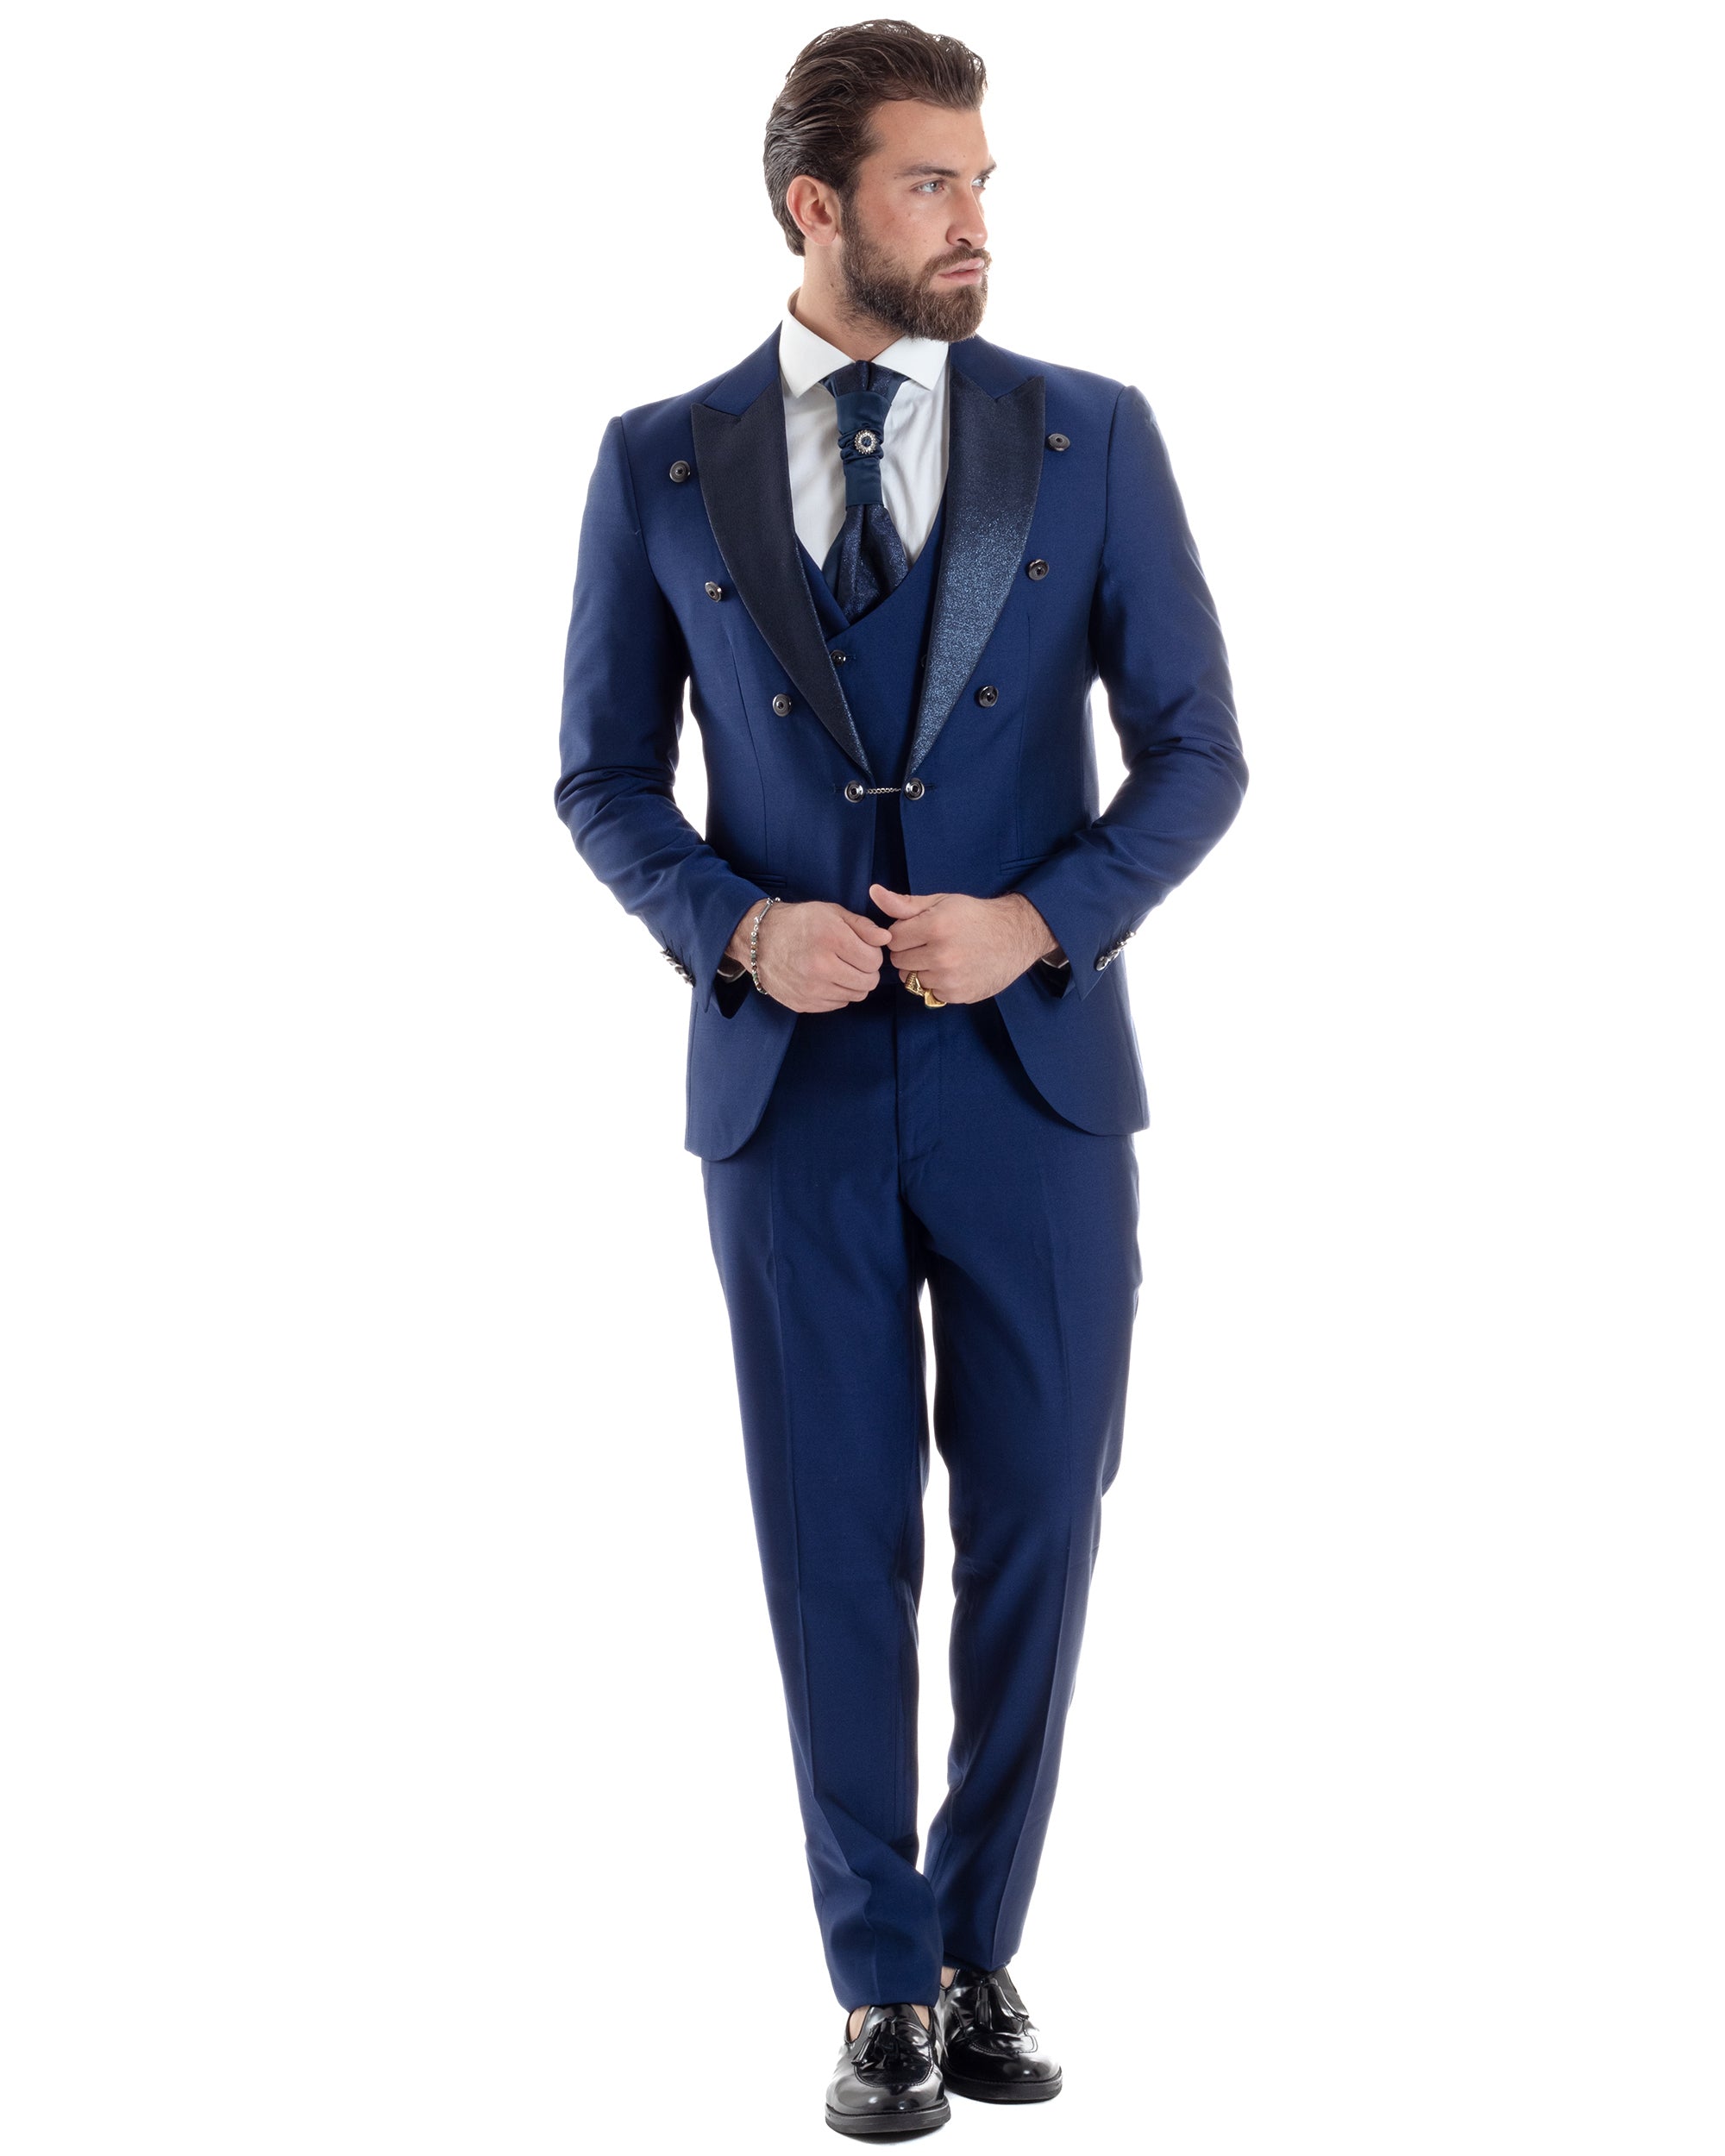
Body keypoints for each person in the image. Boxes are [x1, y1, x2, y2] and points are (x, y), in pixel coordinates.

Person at [555, 21, 1246, 2136]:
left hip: (1032, 1082)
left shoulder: (1092, 432)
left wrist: (1037, 916)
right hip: (785, 1098)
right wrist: (733, 925)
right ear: (816, 204)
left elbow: (1198, 753)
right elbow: (600, 775)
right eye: (931, 183)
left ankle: (973, 1938)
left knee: (1038, 1516)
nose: (974, 223)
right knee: (829, 1538)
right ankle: (876, 1982)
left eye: (982, 184)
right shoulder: (658, 458)